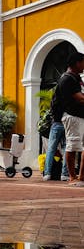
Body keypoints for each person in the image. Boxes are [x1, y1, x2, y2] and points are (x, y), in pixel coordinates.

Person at [58, 51, 84, 186]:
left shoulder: (76, 78)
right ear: (77, 63)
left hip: (80, 116)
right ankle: (72, 177)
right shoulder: (67, 79)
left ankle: (81, 177)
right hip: (72, 116)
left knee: (81, 147)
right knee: (72, 146)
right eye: (83, 62)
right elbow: (79, 97)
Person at [42, 89, 69, 182]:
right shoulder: (69, 98)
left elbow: (52, 110)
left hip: (56, 123)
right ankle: (64, 174)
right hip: (67, 123)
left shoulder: (56, 98)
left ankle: (47, 173)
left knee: (51, 149)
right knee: (66, 148)